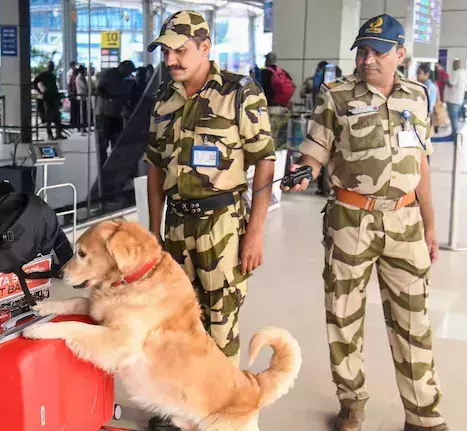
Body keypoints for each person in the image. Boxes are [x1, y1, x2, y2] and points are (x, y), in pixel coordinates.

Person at [285, 14, 450, 431]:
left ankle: (423, 414)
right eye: (362, 50)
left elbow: (422, 164)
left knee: (414, 319)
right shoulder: (336, 95)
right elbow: (316, 150)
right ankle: (352, 402)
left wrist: (431, 225)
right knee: (343, 316)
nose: (367, 59)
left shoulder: (418, 96)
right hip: (350, 220)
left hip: (406, 221)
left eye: (377, 51)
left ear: (400, 53)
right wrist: (304, 171)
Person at [145, 10, 275, 430]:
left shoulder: (240, 93)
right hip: (176, 224)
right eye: (166, 52)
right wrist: (153, 231)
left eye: (180, 51)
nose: (170, 61)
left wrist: (254, 234)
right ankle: (180, 407)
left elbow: (264, 163)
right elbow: (153, 165)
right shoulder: (166, 99)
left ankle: (220, 413)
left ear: (205, 47)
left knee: (221, 321)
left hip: (222, 223)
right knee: (176, 322)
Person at [33, 61, 66, 140]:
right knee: (48, 117)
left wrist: (57, 95)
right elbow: (34, 82)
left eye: (52, 66)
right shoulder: (43, 74)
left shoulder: (52, 75)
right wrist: (40, 91)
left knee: (57, 117)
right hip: (48, 97)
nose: (52, 68)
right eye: (50, 66)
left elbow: (54, 86)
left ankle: (58, 133)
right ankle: (49, 134)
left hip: (54, 97)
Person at [445, 58, 467, 140]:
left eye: (454, 64)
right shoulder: (464, 73)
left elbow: (451, 84)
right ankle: (456, 133)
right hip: (459, 99)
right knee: (456, 117)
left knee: (453, 117)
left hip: (453, 99)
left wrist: (445, 81)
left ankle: (454, 135)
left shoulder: (456, 73)